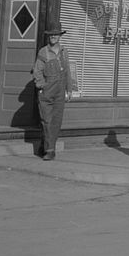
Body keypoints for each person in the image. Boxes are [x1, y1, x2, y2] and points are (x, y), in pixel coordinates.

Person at [33, 25, 78, 160]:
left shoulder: (64, 51)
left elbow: (67, 71)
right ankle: (50, 150)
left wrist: (69, 89)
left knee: (56, 121)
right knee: (46, 120)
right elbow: (37, 71)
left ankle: (45, 145)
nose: (53, 37)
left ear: (60, 36)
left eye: (56, 34)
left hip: (60, 91)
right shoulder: (43, 52)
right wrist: (42, 86)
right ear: (48, 36)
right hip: (47, 91)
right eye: (51, 35)